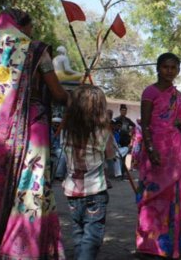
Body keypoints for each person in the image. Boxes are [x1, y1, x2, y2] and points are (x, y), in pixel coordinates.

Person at [0, 9, 68, 259]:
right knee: (30, 196)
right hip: (32, 134)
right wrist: (76, 97)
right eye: (29, 27)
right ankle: (24, 252)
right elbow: (57, 94)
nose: (30, 33)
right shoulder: (37, 51)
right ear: (22, 26)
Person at [137, 52, 181, 258]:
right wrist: (150, 150)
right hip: (155, 151)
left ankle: (170, 245)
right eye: (165, 67)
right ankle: (148, 244)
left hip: (174, 152)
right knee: (151, 197)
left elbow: (178, 122)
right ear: (158, 68)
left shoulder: (176, 95)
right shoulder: (149, 92)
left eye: (174, 68)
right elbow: (145, 124)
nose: (169, 71)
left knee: (173, 198)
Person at [62, 85, 116, 259]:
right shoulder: (102, 131)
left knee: (78, 233)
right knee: (92, 236)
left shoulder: (67, 130)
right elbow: (111, 155)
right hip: (95, 192)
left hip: (72, 192)